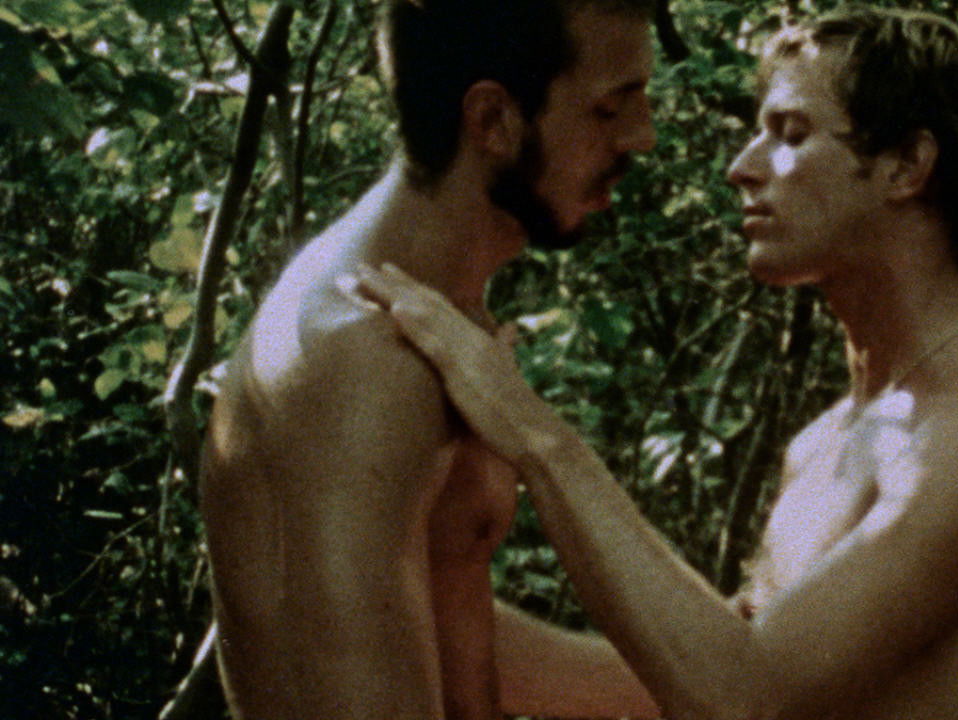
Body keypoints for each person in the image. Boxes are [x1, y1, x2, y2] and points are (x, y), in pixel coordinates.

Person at [353, 5, 958, 719]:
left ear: (906, 166)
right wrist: (399, 583)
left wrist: (530, 431)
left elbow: (743, 699)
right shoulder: (826, 443)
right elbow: (679, 674)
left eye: (791, 133)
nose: (742, 168)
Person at [199, 0, 662, 718]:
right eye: (611, 108)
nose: (645, 136)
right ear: (492, 121)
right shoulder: (360, 359)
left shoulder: (434, 318)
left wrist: (739, 666)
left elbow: (409, 623)